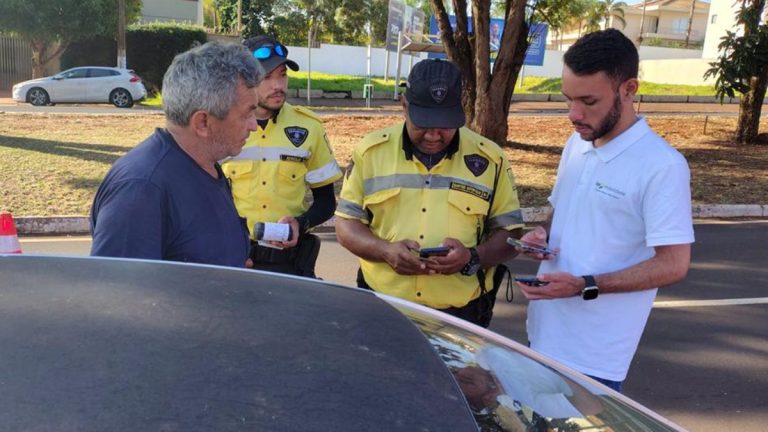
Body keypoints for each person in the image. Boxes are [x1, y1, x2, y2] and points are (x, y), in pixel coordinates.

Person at [515, 29, 695, 392]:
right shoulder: (577, 142)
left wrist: (585, 285)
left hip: (594, 358)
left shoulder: (662, 165)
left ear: (629, 89)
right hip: (542, 332)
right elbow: (561, 210)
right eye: (568, 99)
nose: (574, 114)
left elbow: (674, 264)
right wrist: (542, 236)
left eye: (588, 101)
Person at [335, 59, 524, 328]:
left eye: (444, 125)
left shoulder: (490, 159)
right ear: (404, 105)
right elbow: (346, 225)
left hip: (461, 315)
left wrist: (473, 257)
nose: (433, 136)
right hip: (383, 307)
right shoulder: (371, 152)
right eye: (423, 124)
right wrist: (385, 251)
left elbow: (511, 233)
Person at [90, 41, 263, 267]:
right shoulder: (141, 189)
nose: (254, 126)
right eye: (246, 115)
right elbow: (118, 286)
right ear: (203, 122)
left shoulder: (205, 164)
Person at [221, 35, 342, 277]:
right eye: (266, 77)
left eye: (282, 75)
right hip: (233, 259)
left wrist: (300, 224)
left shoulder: (309, 127)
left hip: (289, 264)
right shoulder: (222, 125)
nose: (278, 85)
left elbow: (326, 201)